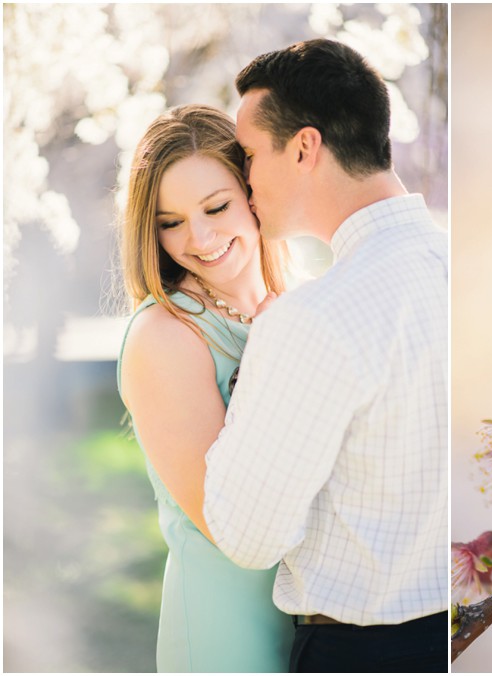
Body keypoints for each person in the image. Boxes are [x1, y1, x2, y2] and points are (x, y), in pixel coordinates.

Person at [199, 39, 449, 672]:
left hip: (362, 652)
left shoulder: (314, 318)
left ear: (305, 147)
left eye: (250, 154)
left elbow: (249, 536)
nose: (246, 180)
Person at [117, 104, 294, 672]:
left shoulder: (295, 300)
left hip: (319, 618)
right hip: (229, 633)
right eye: (171, 221)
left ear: (254, 192)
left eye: (216, 207)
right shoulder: (164, 335)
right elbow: (227, 525)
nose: (200, 237)